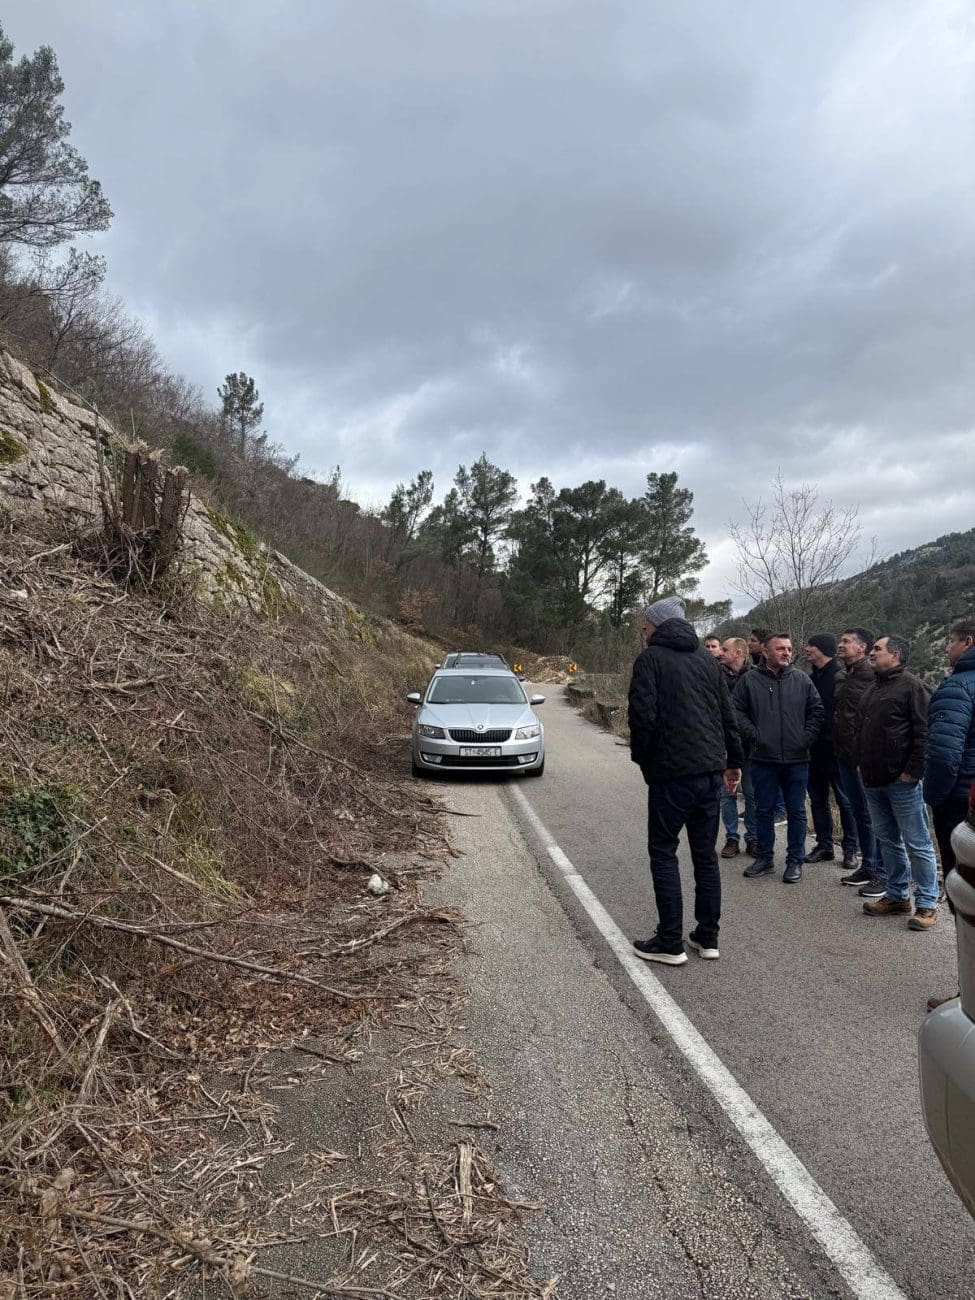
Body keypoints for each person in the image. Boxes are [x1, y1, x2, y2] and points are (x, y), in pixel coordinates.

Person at [628, 596, 743, 965]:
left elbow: (642, 717)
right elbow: (726, 714)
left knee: (663, 852)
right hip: (709, 772)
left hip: (672, 774)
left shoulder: (650, 659)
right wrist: (733, 761)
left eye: (645, 626)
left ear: (657, 625)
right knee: (704, 857)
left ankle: (669, 941)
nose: (643, 632)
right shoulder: (707, 661)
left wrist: (645, 762)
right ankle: (707, 937)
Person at [858, 635, 939, 929]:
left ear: (895, 655)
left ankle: (927, 903)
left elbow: (925, 733)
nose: (872, 653)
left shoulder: (913, 687)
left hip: (902, 781)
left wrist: (912, 772)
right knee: (887, 839)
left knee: (917, 842)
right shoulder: (874, 687)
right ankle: (897, 896)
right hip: (872, 779)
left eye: (877, 649)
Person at [732, 633, 824, 883]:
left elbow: (817, 712)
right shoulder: (749, 680)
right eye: (780, 648)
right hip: (763, 758)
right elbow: (735, 710)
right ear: (766, 652)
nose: (786, 653)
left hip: (797, 760)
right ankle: (765, 858)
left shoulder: (802, 680)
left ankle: (795, 860)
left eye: (789, 649)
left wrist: (805, 739)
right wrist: (754, 735)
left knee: (796, 812)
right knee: (763, 810)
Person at [833, 627, 888, 898]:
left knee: (875, 816)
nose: (840, 645)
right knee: (859, 813)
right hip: (844, 754)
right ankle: (868, 865)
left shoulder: (872, 677)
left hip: (864, 758)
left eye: (846, 641)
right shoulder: (844, 675)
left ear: (861, 648)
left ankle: (882, 873)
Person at [924, 619, 975, 894]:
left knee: (962, 883)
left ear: (968, 642)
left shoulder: (957, 688)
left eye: (951, 641)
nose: (946, 648)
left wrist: (934, 796)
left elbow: (943, 755)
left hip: (961, 801)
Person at [803, 634, 858, 866]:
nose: (806, 649)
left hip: (837, 750)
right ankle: (824, 846)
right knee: (817, 800)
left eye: (811, 646)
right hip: (813, 750)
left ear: (822, 649)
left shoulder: (840, 676)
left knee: (846, 802)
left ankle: (851, 849)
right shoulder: (810, 678)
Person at [718, 637, 757, 857]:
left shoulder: (756, 677)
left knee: (752, 795)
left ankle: (753, 838)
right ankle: (731, 838)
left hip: (750, 747)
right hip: (724, 746)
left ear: (739, 653)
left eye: (725, 649)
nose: (720, 653)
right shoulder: (716, 676)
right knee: (727, 795)